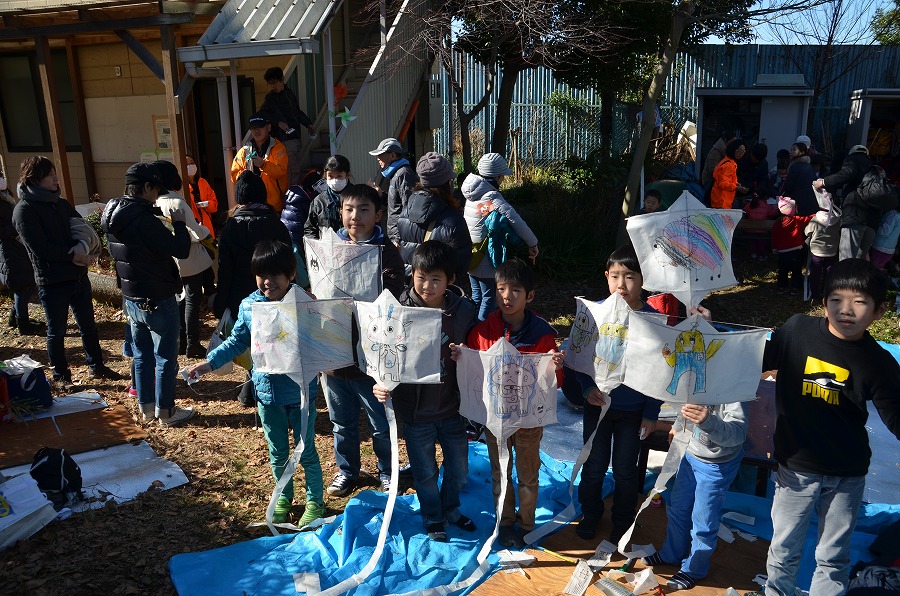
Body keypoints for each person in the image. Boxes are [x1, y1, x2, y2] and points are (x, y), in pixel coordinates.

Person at [761, 259, 900, 596]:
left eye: (860, 302)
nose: (846, 310)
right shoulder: (796, 330)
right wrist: (703, 333)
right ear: (823, 302)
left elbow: (897, 417)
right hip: (795, 469)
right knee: (782, 551)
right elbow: (753, 362)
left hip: (846, 474)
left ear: (879, 312)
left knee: (833, 557)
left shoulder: (879, 362)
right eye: (836, 299)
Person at [187, 240, 326, 526]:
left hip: (301, 392)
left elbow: (323, 341)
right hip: (267, 393)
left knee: (307, 450)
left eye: (275, 274)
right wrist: (208, 362)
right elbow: (237, 341)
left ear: (291, 275)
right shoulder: (250, 307)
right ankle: (283, 496)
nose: (267, 281)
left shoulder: (305, 304)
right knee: (278, 453)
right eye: (261, 274)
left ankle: (315, 500)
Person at [452, 258, 563, 548]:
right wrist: (462, 358)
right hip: (495, 419)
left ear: (530, 296)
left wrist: (556, 366)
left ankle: (526, 524)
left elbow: (555, 384)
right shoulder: (482, 332)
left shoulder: (542, 334)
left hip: (528, 423)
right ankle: (505, 521)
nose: (506, 296)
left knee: (527, 476)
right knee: (499, 471)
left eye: (515, 290)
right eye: (501, 288)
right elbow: (474, 372)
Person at [372, 241, 477, 541]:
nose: (427, 286)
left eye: (435, 279)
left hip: (454, 410)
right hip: (416, 412)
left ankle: (451, 509)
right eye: (421, 277)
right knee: (426, 472)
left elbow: (480, 348)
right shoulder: (396, 312)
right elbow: (382, 353)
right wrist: (382, 383)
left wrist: (466, 354)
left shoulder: (464, 310)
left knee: (459, 469)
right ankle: (433, 517)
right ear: (412, 275)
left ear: (451, 280)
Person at [561, 246, 662, 543]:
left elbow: (659, 373)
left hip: (633, 412)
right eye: (615, 276)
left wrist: (651, 413)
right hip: (598, 407)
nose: (622, 284)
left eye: (630, 277)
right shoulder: (594, 314)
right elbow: (576, 359)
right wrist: (587, 388)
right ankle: (590, 514)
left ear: (643, 280)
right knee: (593, 465)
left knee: (625, 470)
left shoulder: (654, 322)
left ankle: (622, 520)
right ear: (606, 277)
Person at [322, 183, 404, 497]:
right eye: (349, 209)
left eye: (364, 209)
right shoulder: (329, 248)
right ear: (341, 212)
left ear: (378, 214)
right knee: (341, 421)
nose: (355, 216)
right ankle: (347, 471)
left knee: (380, 422)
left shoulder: (387, 252)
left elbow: (395, 296)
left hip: (372, 355)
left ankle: (387, 471)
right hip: (333, 353)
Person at [13, 156, 120, 388]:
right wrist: (74, 255)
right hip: (52, 280)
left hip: (78, 276)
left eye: (54, 173)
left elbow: (81, 229)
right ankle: (61, 376)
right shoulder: (24, 210)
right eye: (49, 174)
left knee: (88, 325)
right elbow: (39, 249)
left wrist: (89, 249)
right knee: (57, 330)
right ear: (34, 179)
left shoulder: (60, 203)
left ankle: (97, 366)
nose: (55, 178)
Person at [102, 163, 193, 426]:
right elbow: (180, 249)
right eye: (155, 190)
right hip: (157, 297)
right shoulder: (144, 220)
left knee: (142, 356)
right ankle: (166, 412)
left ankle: (146, 408)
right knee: (165, 357)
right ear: (146, 187)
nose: (157, 196)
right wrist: (178, 224)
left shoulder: (113, 213)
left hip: (131, 297)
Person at [642, 399, 748, 591]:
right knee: (678, 507)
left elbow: (738, 434)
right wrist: (678, 426)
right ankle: (671, 554)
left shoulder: (735, 387)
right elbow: (688, 404)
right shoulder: (701, 371)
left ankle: (694, 569)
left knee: (703, 520)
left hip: (718, 464)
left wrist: (706, 420)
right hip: (691, 454)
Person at [214, 171, 292, 406]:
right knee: (273, 343)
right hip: (274, 293)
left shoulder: (231, 226)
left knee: (248, 342)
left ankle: (251, 390)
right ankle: (263, 391)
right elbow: (288, 261)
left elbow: (224, 268)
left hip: (240, 296)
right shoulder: (276, 224)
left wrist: (221, 300)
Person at [462, 153, 539, 321]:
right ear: (497, 176)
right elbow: (515, 219)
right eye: (502, 175)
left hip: (471, 254)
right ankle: (481, 333)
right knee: (489, 299)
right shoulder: (491, 196)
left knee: (477, 296)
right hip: (485, 256)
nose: (503, 179)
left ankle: (471, 331)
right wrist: (532, 242)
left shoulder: (472, 193)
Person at [153, 161, 214, 359]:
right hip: (189, 256)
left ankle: (179, 341)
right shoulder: (177, 201)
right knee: (192, 299)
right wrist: (210, 239)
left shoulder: (154, 202)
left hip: (168, 258)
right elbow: (196, 230)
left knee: (178, 298)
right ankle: (192, 342)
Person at [398, 152, 472, 283]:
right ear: (447, 182)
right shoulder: (454, 220)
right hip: (441, 293)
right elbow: (461, 265)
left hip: (413, 287)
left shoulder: (404, 215)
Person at [0, 164, 42, 334]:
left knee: (24, 283)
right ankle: (22, 323)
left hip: (15, 245)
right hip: (7, 247)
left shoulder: (5, 195)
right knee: (22, 285)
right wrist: (15, 228)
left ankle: (15, 317)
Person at [814, 145, 873, 260]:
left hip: (854, 216)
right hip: (872, 220)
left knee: (847, 259)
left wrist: (824, 182)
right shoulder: (873, 166)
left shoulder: (852, 159)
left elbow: (846, 173)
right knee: (860, 260)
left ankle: (844, 277)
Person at [260, 66, 316, 187]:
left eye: (275, 82)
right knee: (292, 170)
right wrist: (278, 122)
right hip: (283, 138)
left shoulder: (289, 93)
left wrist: (308, 124)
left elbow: (296, 112)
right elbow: (262, 114)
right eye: (270, 84)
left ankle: (292, 195)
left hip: (294, 136)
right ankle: (291, 197)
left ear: (282, 79)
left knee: (294, 169)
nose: (273, 86)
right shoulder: (270, 98)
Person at [230, 113, 289, 213]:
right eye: (253, 128)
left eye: (260, 127)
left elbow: (281, 171)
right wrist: (245, 174)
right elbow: (234, 175)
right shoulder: (244, 150)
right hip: (250, 205)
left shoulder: (278, 148)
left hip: (272, 205)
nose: (256, 131)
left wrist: (263, 165)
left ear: (268, 128)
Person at [368, 137, 418, 247]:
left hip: (401, 239)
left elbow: (409, 210)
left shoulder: (403, 174)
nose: (378, 158)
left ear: (393, 155)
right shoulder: (397, 174)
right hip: (397, 237)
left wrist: (399, 239)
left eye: (381, 154)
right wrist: (381, 195)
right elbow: (396, 204)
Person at [772, 197, 815, 295]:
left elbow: (774, 236)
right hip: (795, 250)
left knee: (782, 271)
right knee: (796, 271)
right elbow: (807, 218)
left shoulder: (777, 222)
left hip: (782, 252)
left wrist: (774, 248)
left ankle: (781, 287)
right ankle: (795, 288)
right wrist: (816, 214)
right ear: (793, 209)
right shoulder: (796, 220)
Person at [304, 154, 350, 240]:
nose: (335, 180)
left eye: (339, 176)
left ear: (347, 175)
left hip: (354, 248)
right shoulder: (319, 201)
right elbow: (309, 228)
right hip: (327, 249)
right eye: (331, 176)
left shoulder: (358, 197)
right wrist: (317, 246)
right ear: (325, 176)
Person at [805, 205, 841, 303]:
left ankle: (814, 294)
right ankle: (826, 294)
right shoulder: (838, 220)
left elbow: (807, 232)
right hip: (831, 251)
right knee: (828, 273)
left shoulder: (815, 219)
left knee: (815, 273)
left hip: (817, 251)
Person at [185, 155, 219, 240]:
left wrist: (207, 204)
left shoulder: (203, 182)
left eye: (192, 163)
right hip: (192, 228)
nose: (190, 166)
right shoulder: (181, 187)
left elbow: (214, 205)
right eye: (187, 164)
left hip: (207, 226)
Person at [710, 139, 748, 209]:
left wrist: (736, 184)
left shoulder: (727, 161)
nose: (741, 154)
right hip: (721, 201)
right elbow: (723, 183)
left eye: (743, 151)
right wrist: (737, 188)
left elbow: (725, 179)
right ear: (733, 149)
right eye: (739, 151)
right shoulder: (729, 165)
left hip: (720, 199)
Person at [783, 142, 818, 216]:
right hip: (812, 203)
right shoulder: (808, 166)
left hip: (800, 203)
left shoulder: (795, 166)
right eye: (791, 150)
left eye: (794, 150)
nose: (791, 152)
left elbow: (788, 187)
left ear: (802, 152)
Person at [742, 194, 778, 261]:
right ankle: (762, 255)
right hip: (762, 230)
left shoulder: (751, 204)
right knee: (761, 242)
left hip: (750, 229)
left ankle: (753, 254)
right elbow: (771, 215)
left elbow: (745, 211)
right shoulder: (767, 206)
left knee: (753, 241)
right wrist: (776, 209)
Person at [869, 203, 900, 270]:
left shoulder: (893, 214)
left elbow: (885, 231)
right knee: (878, 269)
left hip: (880, 247)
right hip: (890, 250)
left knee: (872, 269)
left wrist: (875, 224)